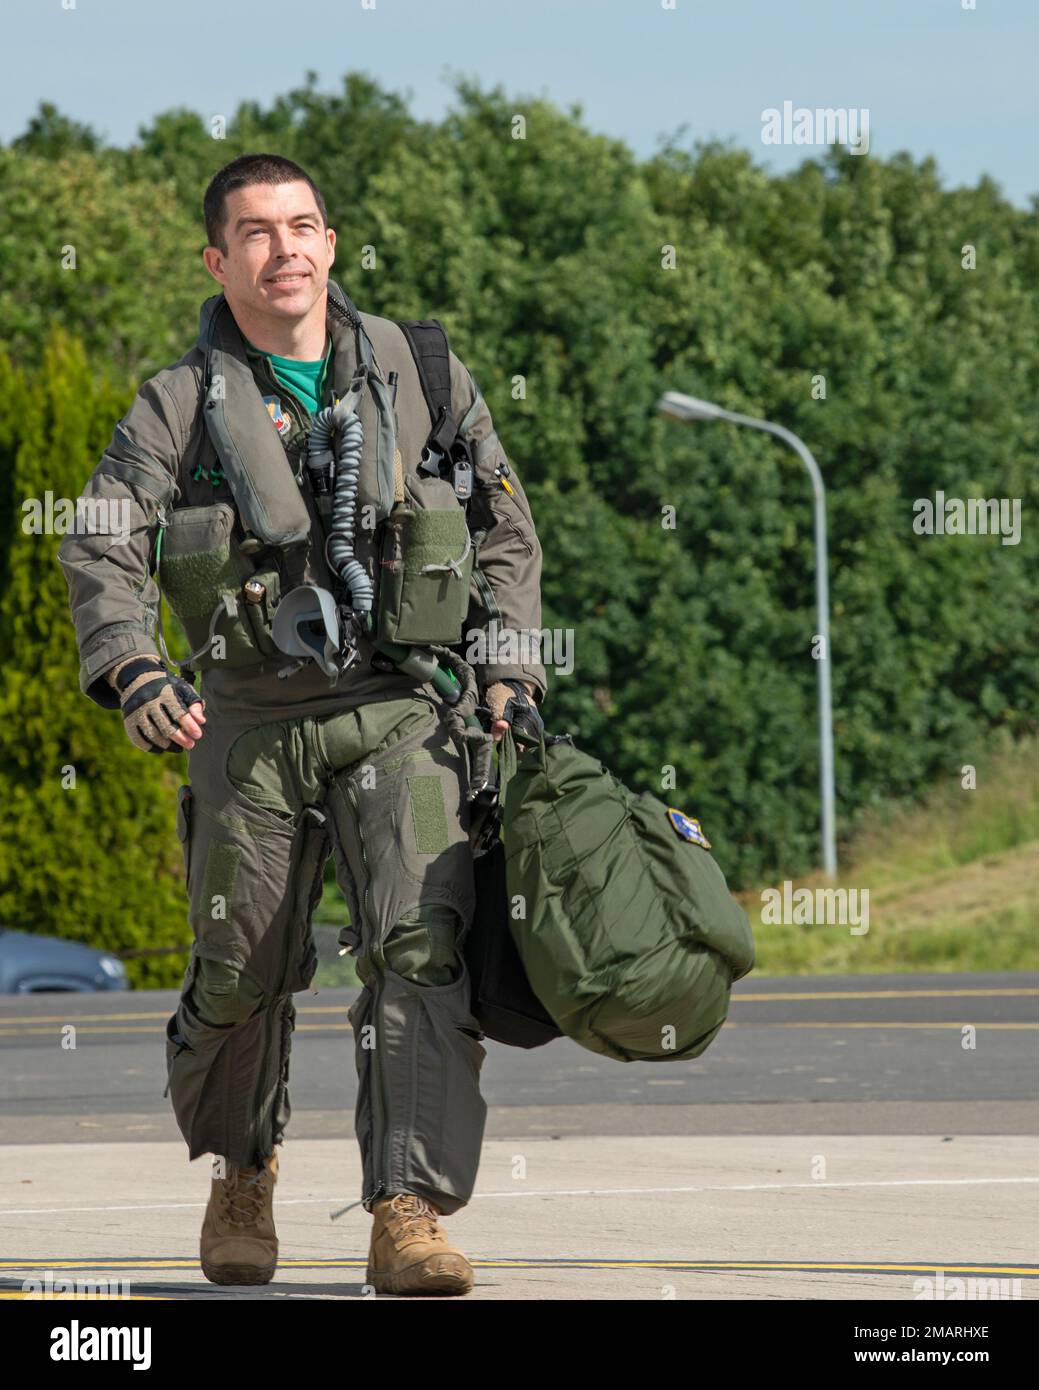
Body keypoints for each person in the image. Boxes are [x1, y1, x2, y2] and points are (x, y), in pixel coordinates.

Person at [57, 152, 548, 1297]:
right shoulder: (177, 404)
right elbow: (99, 536)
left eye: (304, 226)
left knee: (419, 952)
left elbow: (506, 527)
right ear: (217, 260)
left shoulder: (420, 370)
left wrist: (508, 668)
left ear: (331, 244)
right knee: (239, 968)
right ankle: (242, 1170)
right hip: (249, 721)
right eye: (257, 233)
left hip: (397, 710)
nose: (286, 250)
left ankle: (406, 1205)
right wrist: (132, 670)